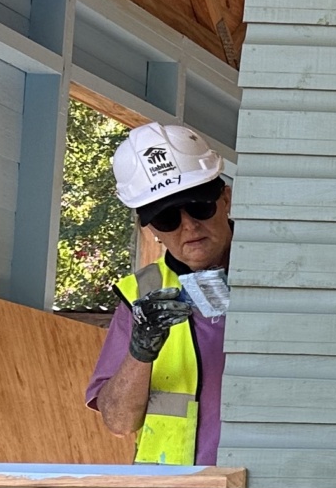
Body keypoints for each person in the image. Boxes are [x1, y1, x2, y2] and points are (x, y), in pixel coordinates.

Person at [87, 122, 233, 466]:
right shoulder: (141, 294)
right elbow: (119, 422)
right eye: (167, 218)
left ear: (225, 199)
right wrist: (140, 352)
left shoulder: (280, 274)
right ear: (151, 229)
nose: (189, 226)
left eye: (199, 206)